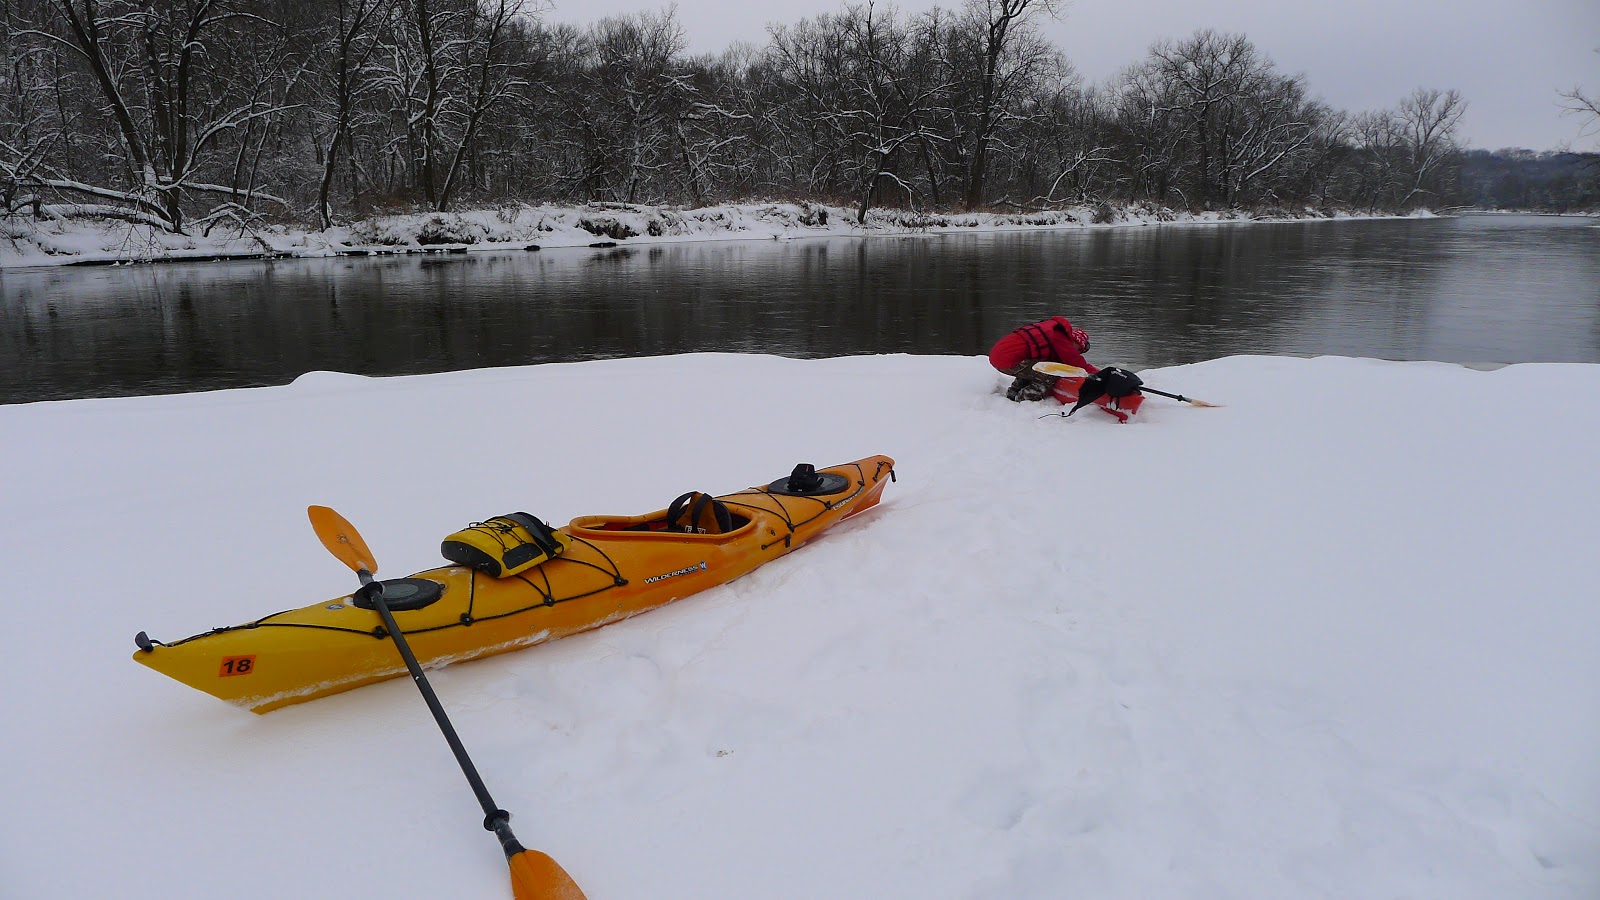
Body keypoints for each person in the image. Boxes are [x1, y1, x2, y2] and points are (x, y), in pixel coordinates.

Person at [988, 315, 1098, 401]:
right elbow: (1077, 363)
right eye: (1078, 349)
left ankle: (1014, 393)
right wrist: (1098, 374)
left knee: (1035, 367)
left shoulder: (1052, 330)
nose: (1077, 353)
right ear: (1075, 341)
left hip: (998, 356)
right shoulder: (1060, 338)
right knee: (1049, 373)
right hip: (1006, 359)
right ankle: (1026, 399)